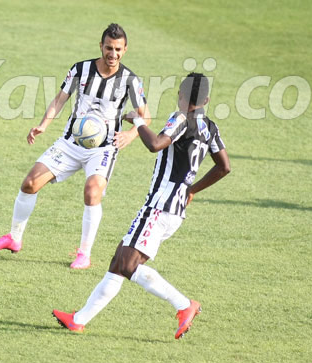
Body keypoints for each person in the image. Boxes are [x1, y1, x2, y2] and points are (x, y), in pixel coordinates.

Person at [53, 73, 231, 339]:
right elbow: (224, 167)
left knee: (127, 264)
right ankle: (78, 320)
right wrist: (192, 190)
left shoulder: (180, 118)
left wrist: (138, 122)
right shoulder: (210, 127)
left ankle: (184, 305)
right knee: (118, 261)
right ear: (205, 99)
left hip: (159, 207)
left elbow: (155, 144)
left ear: (180, 95)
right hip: (175, 209)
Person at [0, 23, 150, 269]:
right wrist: (43, 125)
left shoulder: (130, 81)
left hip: (103, 149)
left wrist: (130, 134)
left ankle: (84, 254)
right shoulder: (81, 69)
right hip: (71, 143)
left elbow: (144, 116)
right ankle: (13, 238)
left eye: (117, 49)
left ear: (125, 50)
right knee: (29, 183)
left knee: (92, 191)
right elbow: (60, 99)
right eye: (108, 48)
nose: (112, 54)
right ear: (100, 46)